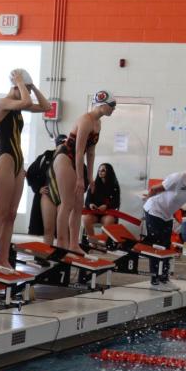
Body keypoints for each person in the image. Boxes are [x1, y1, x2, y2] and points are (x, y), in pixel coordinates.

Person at [0, 69, 51, 268]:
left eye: (29, 89)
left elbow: (46, 106)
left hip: (17, 162)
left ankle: (4, 258)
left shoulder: (18, 107)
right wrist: (22, 83)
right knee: (0, 212)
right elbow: (25, 102)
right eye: (25, 89)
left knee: (12, 214)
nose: (28, 93)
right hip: (5, 160)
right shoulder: (2, 103)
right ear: (15, 86)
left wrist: (32, 86)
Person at [52, 90, 116, 252]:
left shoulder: (98, 124)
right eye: (112, 105)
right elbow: (79, 151)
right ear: (102, 105)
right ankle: (61, 244)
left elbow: (91, 152)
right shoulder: (86, 120)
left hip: (76, 161)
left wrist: (90, 178)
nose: (113, 109)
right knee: (67, 204)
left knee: (78, 205)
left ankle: (73, 245)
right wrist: (80, 178)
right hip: (66, 157)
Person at [143, 160, 186, 284]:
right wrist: (144, 208)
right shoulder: (177, 177)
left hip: (167, 215)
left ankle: (164, 277)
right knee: (156, 245)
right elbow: (154, 189)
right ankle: (155, 278)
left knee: (166, 245)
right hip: (154, 210)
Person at [26, 136, 65, 244]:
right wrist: (38, 188)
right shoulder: (46, 157)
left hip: (65, 196)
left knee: (64, 230)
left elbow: (81, 177)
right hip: (48, 194)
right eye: (61, 144)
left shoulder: (73, 157)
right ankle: (46, 255)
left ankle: (62, 256)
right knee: (48, 229)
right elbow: (30, 174)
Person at [83, 163, 121, 237]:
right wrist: (90, 204)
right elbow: (87, 201)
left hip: (107, 213)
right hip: (94, 213)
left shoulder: (114, 186)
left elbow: (116, 202)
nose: (100, 172)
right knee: (85, 219)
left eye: (103, 170)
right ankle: (93, 241)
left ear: (109, 172)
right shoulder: (93, 185)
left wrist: (106, 206)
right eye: (99, 170)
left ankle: (102, 241)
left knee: (109, 220)